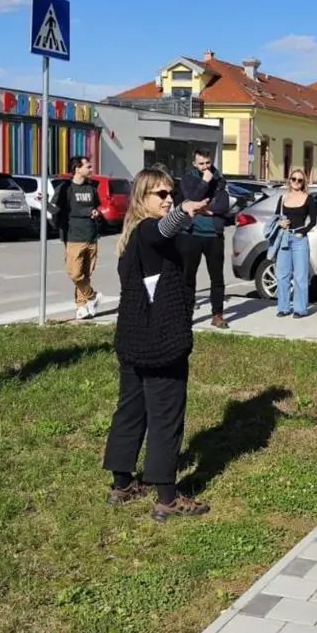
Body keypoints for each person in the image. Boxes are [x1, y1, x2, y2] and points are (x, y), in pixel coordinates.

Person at [104, 168, 212, 522]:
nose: (168, 199)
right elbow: (164, 229)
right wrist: (185, 212)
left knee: (131, 408)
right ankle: (166, 496)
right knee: (166, 414)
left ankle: (122, 483)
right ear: (141, 199)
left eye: (171, 193)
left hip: (133, 341)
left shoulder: (131, 236)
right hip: (159, 343)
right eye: (160, 194)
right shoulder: (150, 230)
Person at [176, 148, 231, 329]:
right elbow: (192, 198)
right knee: (188, 277)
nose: (205, 167)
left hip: (213, 235)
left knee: (217, 277)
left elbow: (223, 205)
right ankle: (186, 314)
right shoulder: (188, 178)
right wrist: (205, 183)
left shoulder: (219, 179)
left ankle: (217, 315)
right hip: (191, 234)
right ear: (194, 163)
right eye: (201, 164)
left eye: (208, 163)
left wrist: (206, 210)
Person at [54, 155, 104, 320]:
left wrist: (95, 213)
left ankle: (81, 307)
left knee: (86, 275)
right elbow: (56, 210)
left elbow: (96, 206)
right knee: (75, 273)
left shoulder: (91, 189)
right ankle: (92, 296)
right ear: (77, 169)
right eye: (88, 167)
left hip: (91, 237)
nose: (91, 169)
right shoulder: (65, 188)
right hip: (74, 237)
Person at [273, 169, 317, 318]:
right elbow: (276, 217)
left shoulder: (308, 198)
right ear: (289, 180)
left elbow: (313, 220)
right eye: (294, 179)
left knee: (300, 276)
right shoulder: (283, 197)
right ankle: (283, 307)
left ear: (304, 182)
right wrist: (281, 223)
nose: (296, 182)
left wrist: (303, 231)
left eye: (300, 180)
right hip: (285, 238)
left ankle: (300, 309)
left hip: (299, 239)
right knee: (282, 275)